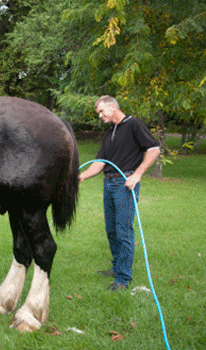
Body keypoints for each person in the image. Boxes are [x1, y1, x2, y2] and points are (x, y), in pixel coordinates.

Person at [79, 95, 160, 291]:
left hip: (125, 184)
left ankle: (123, 279)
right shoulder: (109, 133)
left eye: (101, 111)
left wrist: (138, 174)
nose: (100, 115)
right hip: (109, 184)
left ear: (113, 107)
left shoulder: (134, 124)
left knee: (123, 231)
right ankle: (116, 268)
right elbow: (99, 163)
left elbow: (154, 149)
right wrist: (80, 177)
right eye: (98, 112)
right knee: (112, 230)